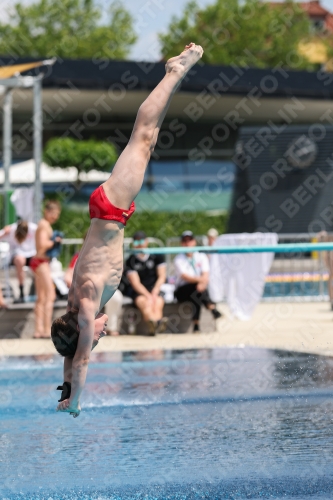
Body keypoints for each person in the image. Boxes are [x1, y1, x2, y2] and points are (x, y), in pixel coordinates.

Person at [51, 43, 204, 418]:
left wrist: (77, 404)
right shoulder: (79, 312)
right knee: (148, 141)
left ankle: (174, 71)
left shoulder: (86, 306)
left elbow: (81, 359)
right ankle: (174, 76)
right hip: (112, 213)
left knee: (143, 134)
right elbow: (73, 358)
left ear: (81, 326)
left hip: (111, 207)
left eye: (94, 334)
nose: (100, 334)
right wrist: (65, 392)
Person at [174, 230, 222, 333]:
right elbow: (185, 277)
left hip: (196, 289)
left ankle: (196, 325)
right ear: (182, 243)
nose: (188, 243)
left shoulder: (201, 256)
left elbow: (206, 274)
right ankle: (211, 307)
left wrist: (202, 282)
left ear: (194, 241)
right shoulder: (179, 258)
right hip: (182, 291)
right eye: (185, 241)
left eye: (189, 240)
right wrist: (202, 281)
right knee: (196, 289)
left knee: (196, 294)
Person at [126, 231, 167, 335]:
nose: (139, 244)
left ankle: (154, 325)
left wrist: (155, 290)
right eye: (136, 242)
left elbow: (162, 276)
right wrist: (148, 295)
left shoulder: (156, 256)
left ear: (147, 241)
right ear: (133, 243)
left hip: (154, 288)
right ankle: (156, 323)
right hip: (139, 291)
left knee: (158, 302)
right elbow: (136, 283)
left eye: (141, 240)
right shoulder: (131, 261)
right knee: (145, 303)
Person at [31, 200, 62, 339]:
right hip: (41, 262)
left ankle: (38, 330)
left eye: (57, 214)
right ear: (47, 211)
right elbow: (43, 245)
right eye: (54, 214)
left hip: (38, 261)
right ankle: (46, 329)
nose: (56, 217)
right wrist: (55, 241)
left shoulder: (43, 224)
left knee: (41, 298)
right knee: (50, 295)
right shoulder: (44, 225)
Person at [0, 220, 37, 302]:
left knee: (39, 261)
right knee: (20, 261)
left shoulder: (34, 228)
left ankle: (37, 288)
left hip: (31, 254)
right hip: (17, 254)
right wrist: (4, 233)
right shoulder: (12, 229)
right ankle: (21, 291)